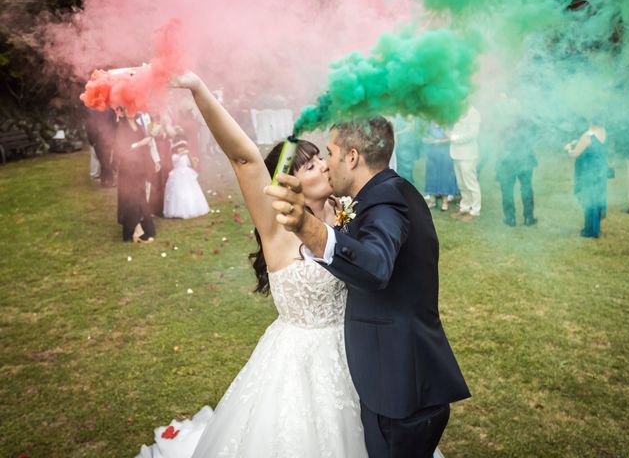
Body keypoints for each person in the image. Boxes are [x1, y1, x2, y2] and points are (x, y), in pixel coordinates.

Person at [136, 71, 376, 457]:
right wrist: (198, 87)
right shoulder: (277, 229)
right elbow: (244, 158)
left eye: (320, 159)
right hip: (297, 363)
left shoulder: (344, 211)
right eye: (310, 165)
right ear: (287, 183)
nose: (323, 167)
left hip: (355, 352)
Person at [265, 117, 470, 458]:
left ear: (352, 157)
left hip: (399, 391)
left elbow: (375, 266)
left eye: (329, 153)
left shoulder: (387, 205)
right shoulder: (385, 192)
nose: (326, 165)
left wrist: (306, 227)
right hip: (398, 380)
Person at [113, 108, 156, 243]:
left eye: (131, 107)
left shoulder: (139, 125)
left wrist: (149, 139)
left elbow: (144, 147)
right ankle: (135, 231)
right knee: (131, 198)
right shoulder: (121, 127)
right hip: (128, 169)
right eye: (127, 109)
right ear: (123, 112)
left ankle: (143, 228)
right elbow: (121, 148)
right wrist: (140, 143)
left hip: (139, 168)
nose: (130, 111)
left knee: (140, 196)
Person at [565, 119, 608, 238]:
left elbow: (574, 154)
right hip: (600, 170)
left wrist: (568, 148)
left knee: (589, 200)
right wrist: (577, 142)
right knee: (597, 199)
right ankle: (595, 229)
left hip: (588, 172)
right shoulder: (603, 131)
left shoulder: (588, 135)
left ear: (590, 119)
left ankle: (590, 231)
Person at [495, 120, 538, 227]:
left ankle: (510, 219)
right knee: (526, 189)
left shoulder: (505, 126)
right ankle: (528, 218)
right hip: (525, 160)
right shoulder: (528, 123)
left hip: (508, 163)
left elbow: (500, 146)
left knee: (507, 190)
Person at [449, 106, 482, 222]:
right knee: (461, 184)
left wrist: (454, 137)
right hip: (456, 153)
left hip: (468, 155)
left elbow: (473, 133)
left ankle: (475, 210)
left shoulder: (473, 113)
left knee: (471, 184)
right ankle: (464, 208)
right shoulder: (458, 111)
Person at [163, 140, 210, 219]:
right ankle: (178, 211)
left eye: (183, 147)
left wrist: (192, 158)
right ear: (175, 149)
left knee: (189, 190)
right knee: (179, 192)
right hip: (177, 176)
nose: (182, 149)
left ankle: (192, 208)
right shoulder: (174, 156)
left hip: (187, 175)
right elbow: (178, 158)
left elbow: (193, 165)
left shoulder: (186, 156)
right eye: (179, 147)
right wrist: (185, 153)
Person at [423, 123, 459, 212]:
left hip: (444, 153)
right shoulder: (430, 124)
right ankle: (432, 201)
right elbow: (423, 137)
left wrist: (438, 141)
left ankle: (445, 202)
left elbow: (452, 138)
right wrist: (427, 140)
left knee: (444, 176)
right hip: (432, 153)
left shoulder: (447, 124)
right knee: (431, 176)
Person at [85, 108, 117, 187]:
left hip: (105, 139)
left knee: (104, 161)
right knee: (104, 161)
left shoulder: (108, 110)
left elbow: (113, 124)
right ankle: (109, 181)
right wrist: (92, 141)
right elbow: (89, 126)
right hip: (101, 140)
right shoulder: (92, 111)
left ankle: (105, 181)